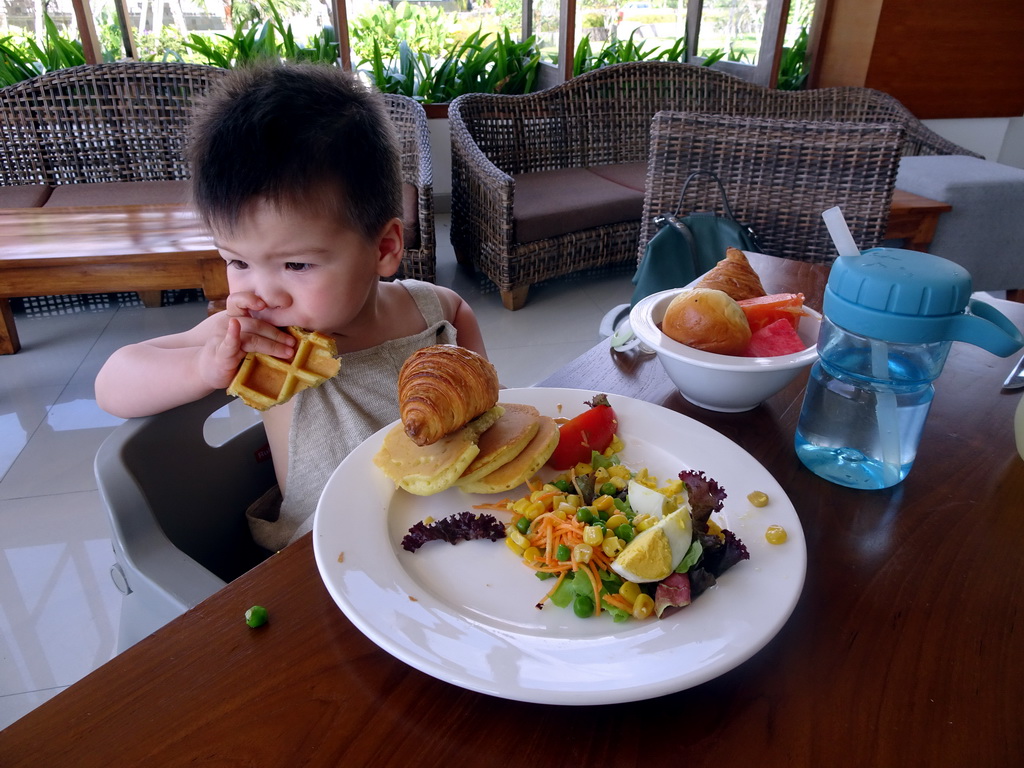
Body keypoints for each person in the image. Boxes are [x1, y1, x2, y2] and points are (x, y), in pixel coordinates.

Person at [95, 63, 488, 550]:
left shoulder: (433, 313)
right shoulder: (256, 336)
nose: (264, 293)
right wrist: (202, 365)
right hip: (324, 552)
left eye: (296, 266)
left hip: (455, 522)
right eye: (237, 261)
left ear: (384, 249)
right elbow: (112, 382)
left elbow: (460, 321)